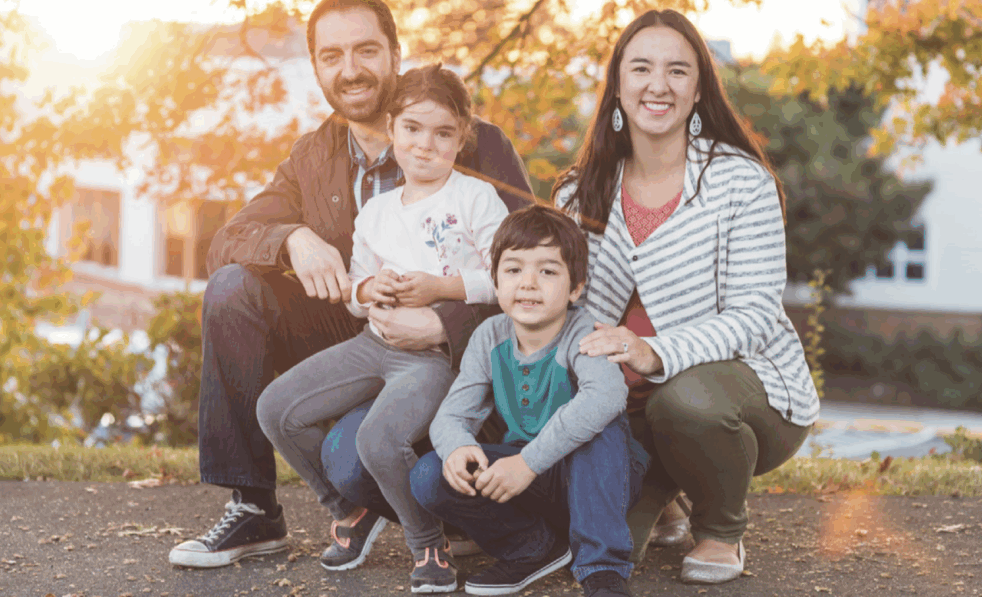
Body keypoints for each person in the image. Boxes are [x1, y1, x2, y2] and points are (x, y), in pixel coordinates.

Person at [168, 0, 532, 570]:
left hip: (449, 352)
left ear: (394, 53)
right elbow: (227, 240)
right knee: (231, 288)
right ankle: (256, 508)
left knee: (352, 458)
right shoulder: (312, 157)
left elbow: (529, 264)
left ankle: (436, 512)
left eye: (365, 50)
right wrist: (292, 237)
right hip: (356, 335)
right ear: (316, 66)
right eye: (331, 55)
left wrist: (441, 321)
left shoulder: (476, 145)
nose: (350, 69)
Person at [553, 9, 817, 585]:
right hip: (621, 404)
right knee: (595, 544)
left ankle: (720, 528)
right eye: (641, 68)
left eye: (678, 71)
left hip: (742, 392)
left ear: (698, 90)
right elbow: (565, 309)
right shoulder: (580, 190)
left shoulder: (741, 182)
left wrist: (656, 351)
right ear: (618, 85)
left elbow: (755, 313)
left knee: (685, 400)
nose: (658, 85)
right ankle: (664, 492)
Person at [255, 63, 509, 594]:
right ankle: (349, 509)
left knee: (378, 437)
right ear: (391, 129)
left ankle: (427, 544)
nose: (425, 145)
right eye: (412, 129)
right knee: (276, 409)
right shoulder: (375, 210)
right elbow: (352, 290)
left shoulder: (475, 198)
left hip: (435, 357)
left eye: (443, 133)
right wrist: (369, 290)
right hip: (371, 343)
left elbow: (505, 278)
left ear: (462, 137)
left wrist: (440, 289)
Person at [410, 205, 648, 597]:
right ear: (496, 281)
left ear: (576, 287)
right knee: (430, 473)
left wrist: (526, 463)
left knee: (601, 430)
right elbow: (450, 415)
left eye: (548, 271)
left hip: (604, 478)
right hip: (533, 478)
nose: (528, 283)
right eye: (514, 269)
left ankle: (602, 568)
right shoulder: (490, 336)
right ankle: (532, 547)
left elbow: (606, 397)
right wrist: (457, 446)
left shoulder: (584, 331)